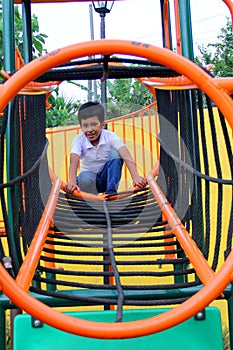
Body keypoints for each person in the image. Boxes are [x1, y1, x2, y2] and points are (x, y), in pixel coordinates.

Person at [65, 101, 147, 195]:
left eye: (94, 124)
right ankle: (90, 199)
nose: (90, 130)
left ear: (102, 124)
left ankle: (111, 192)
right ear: (81, 127)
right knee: (84, 176)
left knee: (115, 154)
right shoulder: (79, 139)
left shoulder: (110, 136)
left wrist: (135, 176)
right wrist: (72, 181)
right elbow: (74, 159)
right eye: (85, 126)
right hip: (88, 181)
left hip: (106, 178)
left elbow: (125, 153)